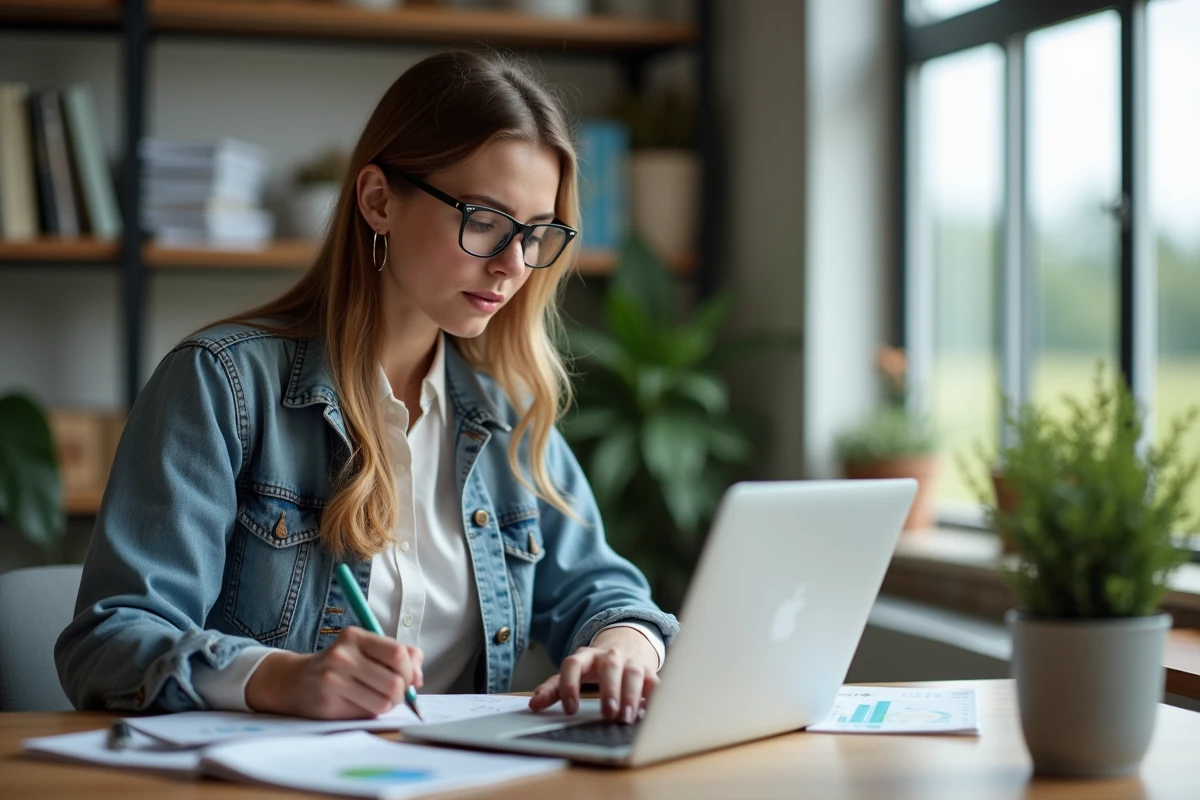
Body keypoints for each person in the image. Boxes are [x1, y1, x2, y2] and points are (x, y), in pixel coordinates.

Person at [55, 49, 678, 727]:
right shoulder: (223, 384)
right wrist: (279, 679)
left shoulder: (508, 411)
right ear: (379, 200)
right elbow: (110, 640)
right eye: (485, 222)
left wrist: (626, 646)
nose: (511, 265)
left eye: (535, 234)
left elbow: (603, 590)